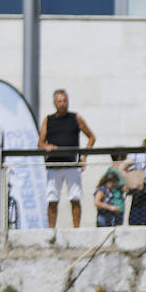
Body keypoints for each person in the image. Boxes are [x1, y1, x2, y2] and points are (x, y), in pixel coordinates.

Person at [39, 89, 96, 228]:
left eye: (64, 101)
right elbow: (40, 143)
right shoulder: (48, 119)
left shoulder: (75, 118)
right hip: (54, 165)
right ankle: (51, 230)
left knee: (75, 198)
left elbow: (91, 137)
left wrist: (84, 157)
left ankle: (76, 229)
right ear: (54, 103)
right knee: (52, 199)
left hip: (72, 164)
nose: (63, 104)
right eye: (59, 101)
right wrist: (47, 146)